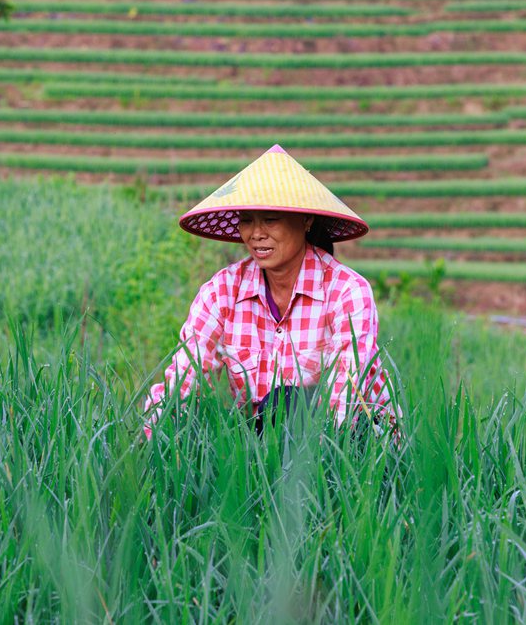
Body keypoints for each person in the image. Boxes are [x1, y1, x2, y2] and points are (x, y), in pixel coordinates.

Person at [143, 144, 396, 439]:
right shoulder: (222, 292)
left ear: (306, 220)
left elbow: (345, 397)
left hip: (353, 440)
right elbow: (184, 382)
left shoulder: (346, 292)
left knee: (284, 403)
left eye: (270, 219)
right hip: (266, 442)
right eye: (247, 220)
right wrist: (154, 439)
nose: (256, 233)